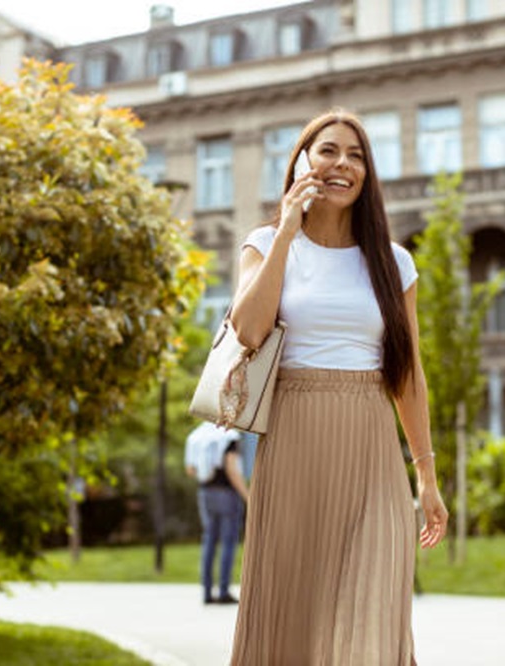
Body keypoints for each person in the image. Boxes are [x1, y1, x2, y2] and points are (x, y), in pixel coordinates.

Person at [228, 109, 449, 665]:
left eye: (357, 156)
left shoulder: (394, 264)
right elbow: (248, 328)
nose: (342, 165)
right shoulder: (264, 243)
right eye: (328, 151)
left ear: (368, 175)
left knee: (373, 614)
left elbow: (408, 373)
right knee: (293, 614)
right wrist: (286, 229)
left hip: (372, 447)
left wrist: (426, 475)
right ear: (303, 161)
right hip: (294, 438)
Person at [184, 421, 251, 605]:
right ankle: (223, 591)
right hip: (227, 494)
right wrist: (248, 497)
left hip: (205, 492)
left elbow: (190, 469)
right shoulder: (230, 435)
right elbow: (232, 469)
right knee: (228, 542)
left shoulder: (196, 435)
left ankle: (206, 592)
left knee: (209, 540)